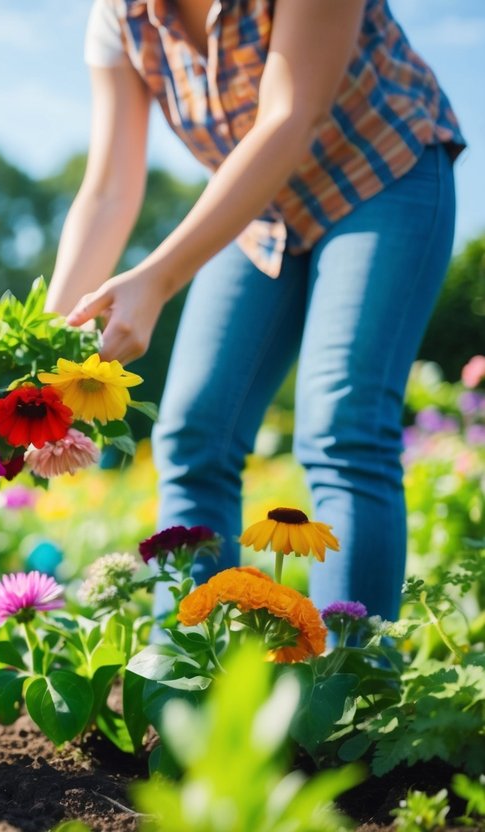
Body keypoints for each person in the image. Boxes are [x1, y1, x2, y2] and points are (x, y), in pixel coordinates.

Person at [44, 0, 464, 620]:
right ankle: (188, 688)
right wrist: (47, 343)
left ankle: (349, 694)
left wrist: (158, 279)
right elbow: (108, 190)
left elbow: (291, 116)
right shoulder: (121, 17)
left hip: (383, 174)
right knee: (194, 437)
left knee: (343, 429)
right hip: (260, 214)